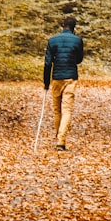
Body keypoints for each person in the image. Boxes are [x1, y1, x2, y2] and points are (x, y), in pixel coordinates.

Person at [43, 15, 84, 151]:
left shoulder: (52, 40)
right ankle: (61, 141)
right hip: (71, 78)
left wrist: (46, 82)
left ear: (63, 26)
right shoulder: (78, 41)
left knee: (57, 110)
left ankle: (58, 137)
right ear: (74, 28)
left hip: (56, 78)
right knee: (67, 110)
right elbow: (79, 60)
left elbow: (48, 63)